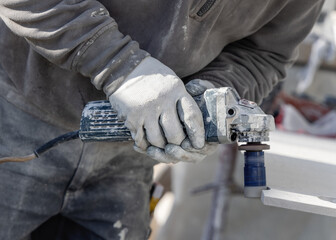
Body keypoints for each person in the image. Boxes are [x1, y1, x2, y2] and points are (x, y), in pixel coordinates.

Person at [0, 0, 324, 239]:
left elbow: (265, 53)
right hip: (17, 116)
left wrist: (206, 94)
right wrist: (122, 69)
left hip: (132, 154)